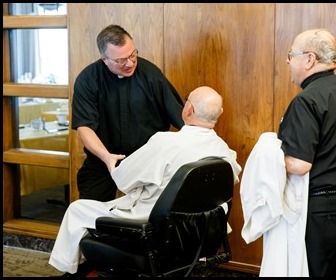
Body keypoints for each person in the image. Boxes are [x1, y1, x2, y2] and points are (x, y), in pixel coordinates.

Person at [49, 86, 242, 276]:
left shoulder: (166, 143)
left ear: (188, 109)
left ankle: (70, 272)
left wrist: (110, 162)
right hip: (197, 233)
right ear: (220, 113)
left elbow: (123, 180)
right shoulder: (224, 151)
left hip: (152, 226)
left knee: (77, 210)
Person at [278, 28, 336, 277]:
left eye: (290, 54)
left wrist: (269, 154)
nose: (287, 60)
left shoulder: (306, 101)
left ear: (309, 59)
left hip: (320, 210)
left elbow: (299, 164)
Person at [71, 24, 185, 202]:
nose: (130, 63)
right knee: (91, 216)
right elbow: (85, 127)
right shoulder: (88, 79)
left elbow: (181, 117)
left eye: (133, 54)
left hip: (148, 162)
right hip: (103, 160)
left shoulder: (151, 74)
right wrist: (106, 157)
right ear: (104, 59)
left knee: (151, 220)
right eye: (120, 60)